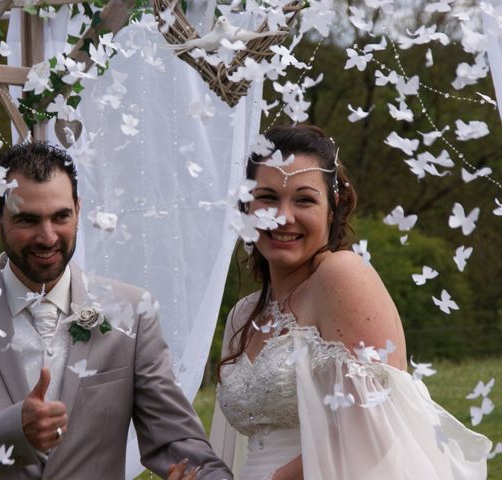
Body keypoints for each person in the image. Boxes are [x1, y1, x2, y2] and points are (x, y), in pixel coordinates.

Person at [0, 142, 232, 480]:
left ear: (78, 210)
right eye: (27, 220)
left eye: (61, 216)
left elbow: (177, 440)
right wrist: (13, 431)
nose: (47, 237)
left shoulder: (131, 312)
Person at [210, 124, 491, 479]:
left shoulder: (340, 275)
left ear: (333, 209)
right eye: (267, 197)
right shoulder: (242, 315)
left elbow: (375, 421)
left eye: (304, 199)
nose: (282, 216)